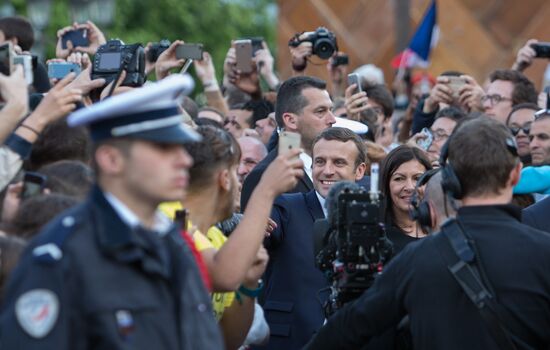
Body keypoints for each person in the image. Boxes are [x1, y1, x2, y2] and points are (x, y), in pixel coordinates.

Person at [0, 76, 224, 349]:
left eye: (182, 147)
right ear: (111, 159)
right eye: (164, 147)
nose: (185, 160)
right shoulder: (61, 255)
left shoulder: (173, 242)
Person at [303, 117, 550, 349]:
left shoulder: (415, 260)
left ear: (450, 178)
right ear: (516, 174)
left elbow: (343, 331)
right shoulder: (544, 253)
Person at [257, 127, 367, 350]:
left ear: (360, 170)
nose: (327, 171)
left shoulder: (370, 215)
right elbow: (262, 232)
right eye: (320, 161)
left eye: (338, 162)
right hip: (290, 341)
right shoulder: (285, 206)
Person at [241, 76, 336, 210]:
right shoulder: (263, 176)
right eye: (321, 111)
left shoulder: (335, 167)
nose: (332, 119)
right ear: (291, 120)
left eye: (331, 110)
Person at [380, 145, 432, 254]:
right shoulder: (378, 234)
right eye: (399, 179)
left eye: (417, 178)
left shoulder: (442, 228)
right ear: (386, 184)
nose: (410, 187)